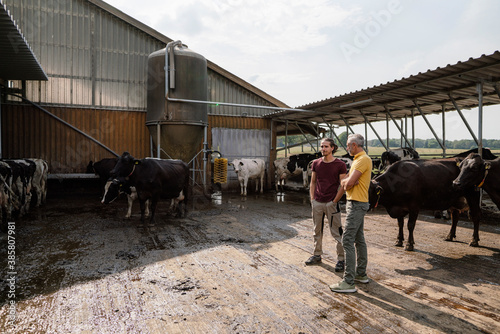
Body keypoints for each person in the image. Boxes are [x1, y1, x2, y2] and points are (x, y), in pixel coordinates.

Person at [330, 134, 372, 293]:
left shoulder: (362, 160)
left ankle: (348, 281)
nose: (347, 148)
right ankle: (360, 274)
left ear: (354, 145)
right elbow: (347, 181)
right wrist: (346, 181)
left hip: (356, 204)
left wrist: (344, 181)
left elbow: (349, 183)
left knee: (347, 239)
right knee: (359, 239)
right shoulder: (358, 160)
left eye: (348, 145)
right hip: (357, 203)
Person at [305, 138, 347, 272]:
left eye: (326, 147)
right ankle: (317, 255)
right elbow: (313, 182)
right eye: (322, 146)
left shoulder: (340, 165)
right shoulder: (316, 163)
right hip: (317, 202)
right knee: (317, 230)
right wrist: (312, 199)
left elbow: (343, 185)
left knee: (336, 232)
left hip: (331, 203)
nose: (323, 149)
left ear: (332, 148)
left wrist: (334, 201)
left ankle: (341, 259)